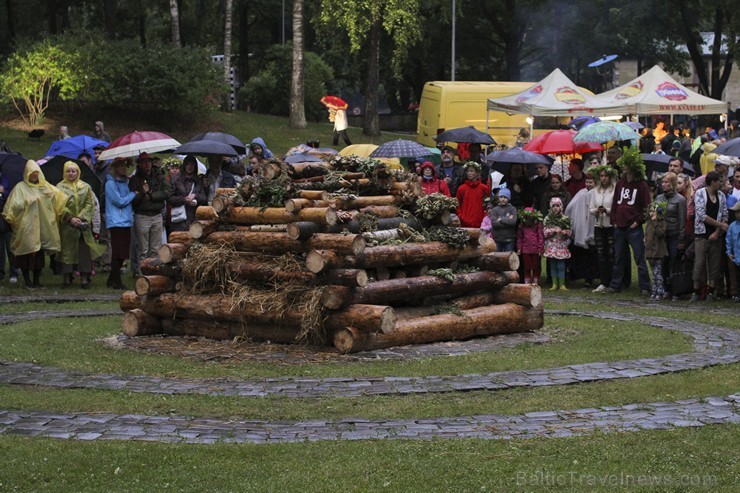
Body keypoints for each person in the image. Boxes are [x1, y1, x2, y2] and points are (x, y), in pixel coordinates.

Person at [2, 160, 66, 289]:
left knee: (39, 255)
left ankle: (37, 280)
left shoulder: (45, 186)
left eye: (37, 172)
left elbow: (58, 196)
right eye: (32, 173)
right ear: (27, 173)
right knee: (26, 255)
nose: (35, 175)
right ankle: (27, 281)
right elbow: (13, 206)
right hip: (26, 228)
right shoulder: (20, 188)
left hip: (42, 227)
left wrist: (49, 196)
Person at [604, 148, 652, 295]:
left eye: (626, 164)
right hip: (619, 225)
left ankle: (645, 286)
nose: (623, 167)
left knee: (639, 257)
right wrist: (614, 220)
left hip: (633, 227)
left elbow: (647, 206)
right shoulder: (620, 183)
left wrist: (638, 221)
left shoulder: (641, 185)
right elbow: (615, 203)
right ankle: (616, 284)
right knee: (618, 257)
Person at [56, 161, 106, 288]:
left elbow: (90, 204)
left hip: (83, 225)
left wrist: (80, 218)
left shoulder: (85, 187)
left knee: (84, 252)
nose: (71, 173)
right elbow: (59, 206)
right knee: (66, 252)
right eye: (68, 171)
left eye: (73, 171)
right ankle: (67, 278)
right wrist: (70, 218)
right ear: (64, 172)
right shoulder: (59, 187)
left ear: (78, 172)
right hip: (67, 226)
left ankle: (84, 278)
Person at [128, 152, 170, 275]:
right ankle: (142, 274)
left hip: (157, 215)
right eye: (144, 162)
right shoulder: (135, 179)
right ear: (140, 164)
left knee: (156, 248)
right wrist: (142, 193)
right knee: (143, 249)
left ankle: (153, 274)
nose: (147, 164)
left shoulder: (159, 176)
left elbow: (167, 192)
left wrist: (151, 195)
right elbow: (133, 200)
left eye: (149, 162)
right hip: (142, 216)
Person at [691, 170, 728, 302]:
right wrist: (720, 225)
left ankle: (712, 291)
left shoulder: (721, 196)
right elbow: (701, 215)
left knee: (714, 264)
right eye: (720, 181)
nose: (721, 184)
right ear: (713, 182)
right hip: (702, 234)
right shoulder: (700, 193)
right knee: (699, 263)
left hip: (715, 235)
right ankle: (696, 290)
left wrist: (717, 231)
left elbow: (724, 215)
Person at [105, 158, 137, 289]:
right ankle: (116, 281)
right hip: (116, 221)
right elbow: (119, 201)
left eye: (125, 166)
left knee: (123, 252)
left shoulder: (124, 182)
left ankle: (112, 278)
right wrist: (133, 194)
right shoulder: (110, 184)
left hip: (125, 221)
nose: (124, 168)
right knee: (118, 252)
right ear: (116, 168)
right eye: (121, 166)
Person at [656, 172, 686, 300]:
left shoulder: (680, 200)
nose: (664, 184)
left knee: (674, 262)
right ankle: (665, 288)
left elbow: (682, 221)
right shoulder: (659, 198)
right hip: (662, 236)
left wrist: (681, 239)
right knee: (663, 262)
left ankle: (676, 290)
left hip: (674, 234)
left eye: (666, 182)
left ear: (672, 184)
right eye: (663, 182)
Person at [565, 172, 597, 287]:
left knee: (592, 254)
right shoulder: (581, 192)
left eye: (591, 182)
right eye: (587, 182)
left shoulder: (596, 193)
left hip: (593, 227)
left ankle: (590, 278)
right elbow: (570, 207)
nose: (588, 184)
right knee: (580, 253)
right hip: (581, 226)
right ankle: (578, 274)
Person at [589, 165, 618, 292]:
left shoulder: (614, 190)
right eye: (601, 176)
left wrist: (607, 210)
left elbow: (616, 208)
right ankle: (603, 281)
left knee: (611, 253)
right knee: (601, 254)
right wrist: (597, 210)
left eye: (606, 176)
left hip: (610, 225)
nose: (603, 178)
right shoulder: (596, 191)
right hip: (598, 225)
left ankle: (613, 280)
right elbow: (590, 208)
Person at [168, 156, 207, 232]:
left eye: (192, 165)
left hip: (194, 217)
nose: (190, 167)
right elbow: (169, 198)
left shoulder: (199, 180)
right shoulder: (175, 179)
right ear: (184, 165)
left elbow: (204, 198)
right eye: (188, 164)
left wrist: (195, 195)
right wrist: (184, 199)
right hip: (179, 219)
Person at [543, 197, 572, 291]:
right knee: (553, 265)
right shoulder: (547, 218)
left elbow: (570, 231)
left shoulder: (565, 218)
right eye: (553, 206)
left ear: (561, 207)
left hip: (561, 245)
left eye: (557, 206)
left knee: (561, 265)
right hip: (551, 245)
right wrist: (552, 231)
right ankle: (554, 284)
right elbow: (545, 231)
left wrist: (565, 232)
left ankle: (562, 284)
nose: (555, 208)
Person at [644, 201, 668, 301]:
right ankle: (654, 291)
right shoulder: (648, 223)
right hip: (650, 252)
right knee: (653, 273)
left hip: (658, 252)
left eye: (654, 211)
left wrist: (655, 223)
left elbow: (660, 234)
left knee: (658, 273)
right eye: (650, 212)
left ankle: (660, 291)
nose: (652, 214)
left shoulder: (661, 223)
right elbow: (647, 235)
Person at [455, 161, 490, 228]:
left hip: (481, 222)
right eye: (468, 171)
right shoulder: (461, 188)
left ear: (477, 173)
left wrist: (484, 216)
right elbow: (457, 203)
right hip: (465, 222)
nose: (469, 173)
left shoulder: (484, 188)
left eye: (471, 171)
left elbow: (488, 204)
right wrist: (461, 216)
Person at [516, 207, 544, 285]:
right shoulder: (522, 225)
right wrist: (519, 248)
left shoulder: (537, 224)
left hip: (535, 250)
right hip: (525, 250)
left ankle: (535, 279)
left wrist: (540, 249)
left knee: (535, 267)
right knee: (527, 266)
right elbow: (519, 237)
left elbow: (540, 236)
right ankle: (527, 280)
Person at [0, 174, 19, 284]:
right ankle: (1, 272)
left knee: (11, 247)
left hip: (7, 221)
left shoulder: (8, 182)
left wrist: (2, 193)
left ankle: (14, 271)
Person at [487, 187, 517, 252]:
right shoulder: (495, 210)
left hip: (509, 239)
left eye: (505, 197)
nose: (503, 199)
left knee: (508, 258)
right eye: (501, 197)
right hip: (497, 239)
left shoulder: (512, 209)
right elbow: (494, 224)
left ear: (508, 198)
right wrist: (507, 220)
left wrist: (500, 219)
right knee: (497, 259)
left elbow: (513, 222)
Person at [726, 201, 740, 302]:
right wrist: (729, 252)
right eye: (736, 212)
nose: (737, 214)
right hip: (737, 257)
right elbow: (729, 241)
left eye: (738, 212)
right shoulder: (732, 226)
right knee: (737, 277)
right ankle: (737, 294)